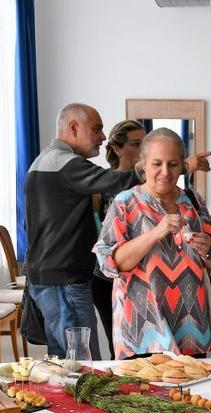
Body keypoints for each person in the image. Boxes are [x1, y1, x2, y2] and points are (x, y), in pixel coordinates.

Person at [94, 128, 211, 359]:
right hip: (141, 336)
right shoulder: (125, 203)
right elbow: (112, 263)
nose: (165, 172)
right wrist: (155, 233)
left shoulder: (194, 202)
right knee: (142, 395)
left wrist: (208, 250)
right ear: (143, 163)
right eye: (157, 163)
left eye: (173, 164)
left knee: (193, 395)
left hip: (191, 333)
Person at [25, 103, 139, 358]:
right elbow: (115, 182)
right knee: (83, 365)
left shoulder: (43, 162)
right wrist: (166, 166)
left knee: (64, 361)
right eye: (97, 129)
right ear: (74, 127)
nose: (102, 137)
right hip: (64, 281)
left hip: (52, 278)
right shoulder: (65, 164)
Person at [92, 119, 146, 359]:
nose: (143, 149)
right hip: (107, 277)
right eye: (137, 144)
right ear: (117, 148)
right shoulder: (100, 185)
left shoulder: (151, 184)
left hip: (143, 276)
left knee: (147, 346)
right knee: (120, 347)